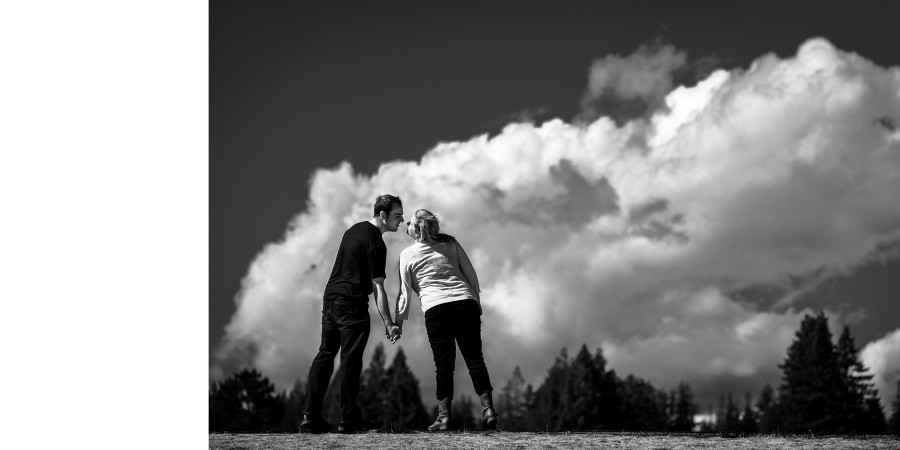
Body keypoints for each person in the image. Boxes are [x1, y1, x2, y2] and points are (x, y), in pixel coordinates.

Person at [300, 195, 404, 434]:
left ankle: (310, 417)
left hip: (331, 299)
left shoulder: (353, 230)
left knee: (325, 355)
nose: (401, 220)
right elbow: (378, 287)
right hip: (352, 305)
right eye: (397, 216)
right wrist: (389, 324)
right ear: (382, 215)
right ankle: (348, 420)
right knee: (350, 361)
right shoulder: (376, 244)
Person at [393, 208, 499, 431]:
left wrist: (398, 323)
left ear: (418, 231)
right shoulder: (451, 244)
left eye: (410, 223)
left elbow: (405, 292)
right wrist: (476, 302)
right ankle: (488, 410)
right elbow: (470, 274)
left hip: (436, 308)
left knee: (444, 366)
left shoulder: (407, 255)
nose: (406, 226)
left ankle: (444, 418)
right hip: (465, 303)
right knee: (475, 359)